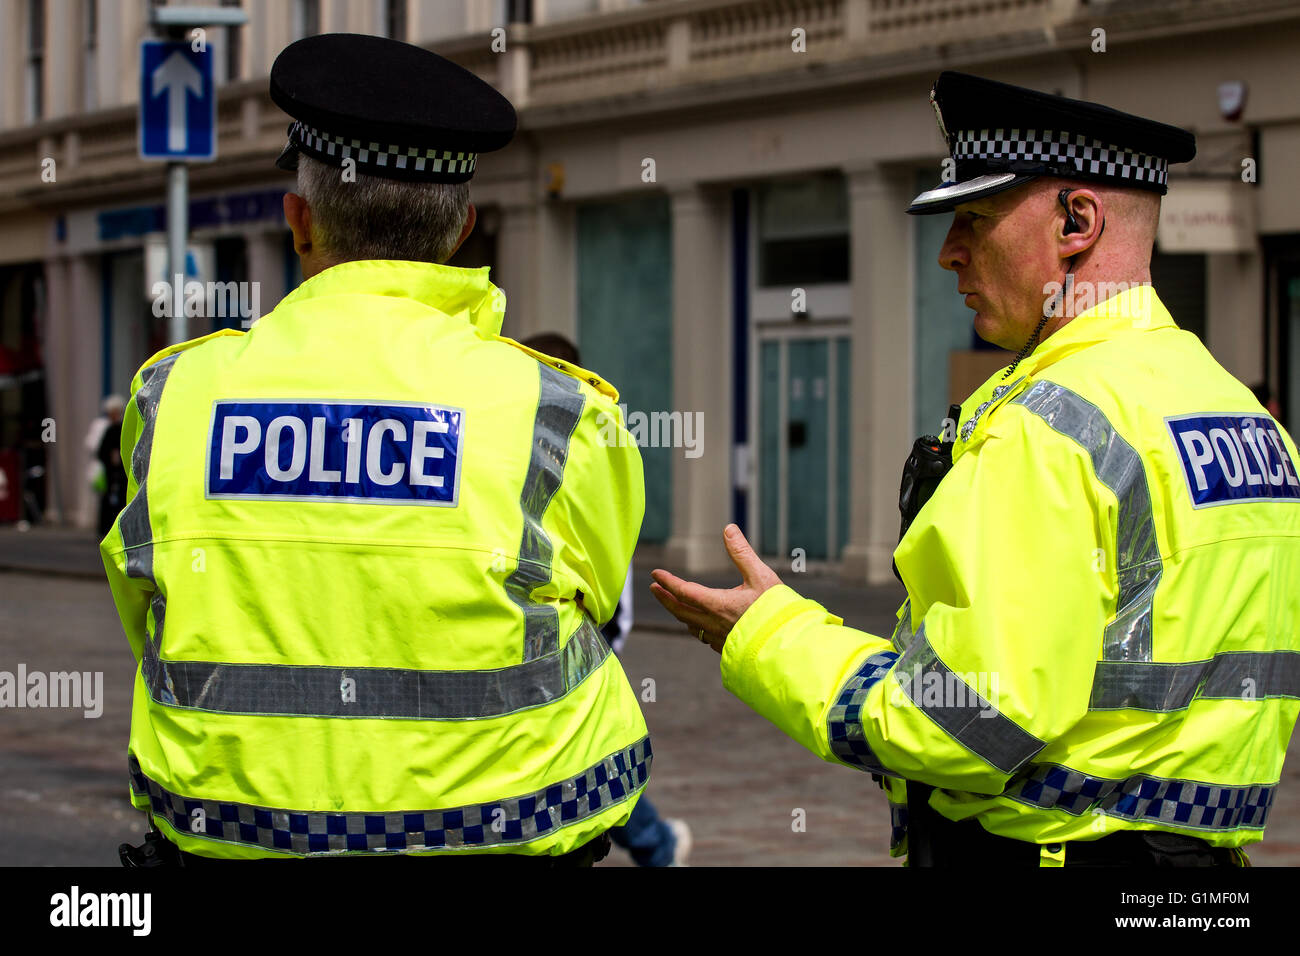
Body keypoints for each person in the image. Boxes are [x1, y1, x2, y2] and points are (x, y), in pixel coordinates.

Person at [650, 72, 1300, 867]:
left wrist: (772, 637)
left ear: (1078, 221)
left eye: (976, 218)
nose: (948, 254)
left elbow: (964, 719)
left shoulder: (1051, 427)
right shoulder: (1245, 418)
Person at [104, 33, 650, 865]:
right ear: (463, 226)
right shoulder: (562, 410)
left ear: (298, 219)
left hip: (230, 841)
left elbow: (146, 603)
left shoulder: (171, 396)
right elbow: (599, 602)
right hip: (506, 836)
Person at [522, 331, 692, 867]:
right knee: (590, 762)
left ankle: (656, 845)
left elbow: (605, 561)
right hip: (562, 633)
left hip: (577, 635)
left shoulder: (586, 439)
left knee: (593, 762)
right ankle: (655, 844)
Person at [91, 395, 127, 538]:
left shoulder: (121, 427)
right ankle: (106, 528)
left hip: (121, 472)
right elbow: (101, 451)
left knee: (120, 500)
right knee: (108, 500)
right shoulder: (108, 429)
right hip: (110, 472)